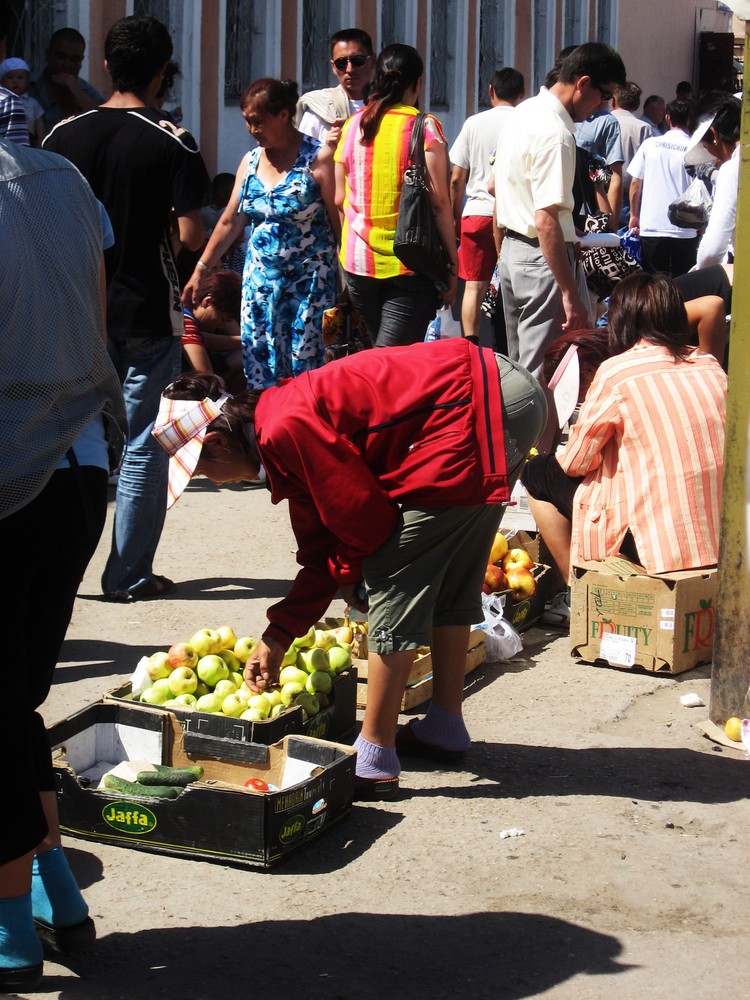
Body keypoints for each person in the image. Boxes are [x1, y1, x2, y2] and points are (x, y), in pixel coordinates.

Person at [151, 340, 547, 798]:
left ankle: (374, 755)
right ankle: (445, 724)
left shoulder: (284, 427)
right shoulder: (275, 426)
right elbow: (321, 545)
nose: (212, 483)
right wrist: (279, 634)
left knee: (394, 572)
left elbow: (367, 520)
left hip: (478, 404)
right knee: (453, 575)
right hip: (501, 394)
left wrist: (354, 571)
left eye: (201, 473)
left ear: (217, 444)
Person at [0, 138, 126, 994]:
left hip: (13, 479)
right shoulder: (60, 176)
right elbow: (98, 305)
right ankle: (54, 896)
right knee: (11, 702)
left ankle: (11, 932)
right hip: (79, 464)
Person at [44, 15, 210, 603]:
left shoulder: (62, 136)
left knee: (67, 440)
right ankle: (127, 575)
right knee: (143, 444)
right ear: (164, 69)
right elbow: (191, 233)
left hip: (73, 311)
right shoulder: (173, 141)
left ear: (106, 65)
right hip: (143, 309)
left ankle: (56, 571)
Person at [522, 273, 726, 603]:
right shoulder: (709, 365)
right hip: (721, 540)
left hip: (660, 549)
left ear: (619, 320)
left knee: (537, 473)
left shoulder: (617, 371)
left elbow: (575, 463)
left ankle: (576, 589)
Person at [183, 78, 338, 390]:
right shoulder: (251, 161)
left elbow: (339, 221)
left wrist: (349, 280)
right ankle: (264, 435)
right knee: (260, 365)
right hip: (260, 288)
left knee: (305, 369)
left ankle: (303, 435)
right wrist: (201, 268)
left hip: (308, 287)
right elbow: (230, 220)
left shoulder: (318, 158)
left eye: (258, 121)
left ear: (283, 115)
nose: (252, 129)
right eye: (246, 121)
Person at [493, 42, 626, 378]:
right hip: (542, 259)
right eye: (604, 95)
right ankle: (535, 433)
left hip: (515, 251)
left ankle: (517, 431)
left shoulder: (523, 112)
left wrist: (565, 230)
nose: (602, 107)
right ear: (583, 83)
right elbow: (545, 218)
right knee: (544, 373)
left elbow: (499, 189)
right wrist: (569, 291)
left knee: (518, 370)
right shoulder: (556, 133)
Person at [334, 43, 458, 347]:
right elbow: (440, 204)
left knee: (383, 357)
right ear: (418, 83)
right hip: (409, 264)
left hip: (357, 265)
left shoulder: (353, 125)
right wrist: (453, 266)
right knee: (391, 363)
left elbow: (339, 198)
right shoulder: (423, 127)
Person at [449, 67, 525, 342]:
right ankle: (509, 349)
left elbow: (457, 177)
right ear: (522, 94)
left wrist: (455, 217)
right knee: (513, 288)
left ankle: (470, 345)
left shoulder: (474, 123)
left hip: (477, 213)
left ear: (490, 91)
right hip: (514, 216)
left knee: (474, 286)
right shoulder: (525, 121)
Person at [627, 99, 699, 277]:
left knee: (653, 282)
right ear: (690, 120)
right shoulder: (696, 149)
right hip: (686, 227)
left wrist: (634, 215)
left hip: (653, 225)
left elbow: (635, 182)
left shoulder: (650, 144)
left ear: (668, 118)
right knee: (683, 282)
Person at [686, 95, 741, 270]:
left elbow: (713, 249)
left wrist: (698, 273)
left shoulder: (732, 169)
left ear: (714, 135)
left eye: (705, 146)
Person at [296, 28, 375, 146]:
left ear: (372, 61)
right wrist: (326, 148)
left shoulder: (386, 107)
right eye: (341, 63)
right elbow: (301, 159)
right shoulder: (319, 110)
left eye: (358, 61)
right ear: (333, 67)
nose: (350, 69)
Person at [28, 26, 104, 131]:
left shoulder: (88, 93)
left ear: (81, 61)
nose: (66, 65)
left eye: (73, 60)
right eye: (61, 57)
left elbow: (102, 123)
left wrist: (74, 89)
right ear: (48, 55)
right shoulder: (26, 86)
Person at [182, 270, 245, 393]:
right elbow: (208, 379)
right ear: (207, 301)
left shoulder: (190, 322)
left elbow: (206, 340)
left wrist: (249, 342)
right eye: (221, 319)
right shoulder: (185, 321)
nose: (220, 326)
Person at [610, 82, 652, 226]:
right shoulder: (644, 128)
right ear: (636, 105)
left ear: (613, 100)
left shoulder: (601, 121)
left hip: (602, 191)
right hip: (631, 194)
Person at [0, 58, 44, 144]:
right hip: (7, 139)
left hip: (29, 139)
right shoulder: (3, 102)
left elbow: (39, 124)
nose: (15, 81)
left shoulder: (32, 103)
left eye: (20, 78)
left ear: (27, 81)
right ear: (1, 82)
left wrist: (41, 141)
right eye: (10, 78)